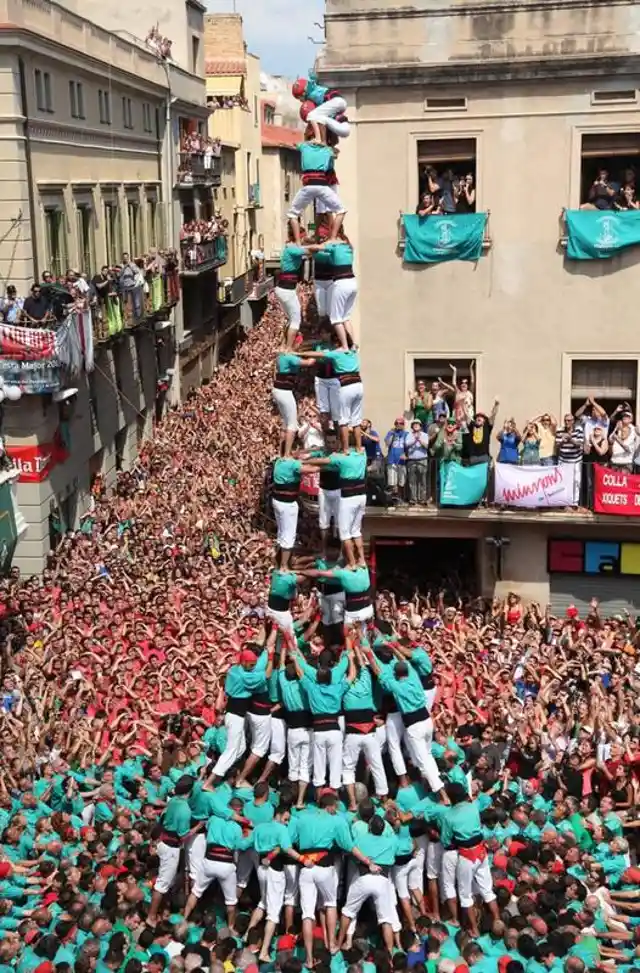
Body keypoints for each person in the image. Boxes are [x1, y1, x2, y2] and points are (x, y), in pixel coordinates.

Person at [404, 419, 430, 504]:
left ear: (420, 426)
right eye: (414, 424)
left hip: (422, 460)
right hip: (411, 460)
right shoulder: (408, 435)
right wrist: (414, 440)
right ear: (412, 426)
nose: (416, 425)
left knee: (422, 481)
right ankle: (413, 499)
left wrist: (419, 440)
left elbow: (426, 446)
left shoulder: (425, 435)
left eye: (417, 424)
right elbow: (407, 444)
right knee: (412, 481)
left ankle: (422, 499)